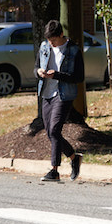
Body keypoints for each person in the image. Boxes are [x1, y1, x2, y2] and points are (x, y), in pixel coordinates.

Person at [34, 20, 84, 181]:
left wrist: (56, 75)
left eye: (53, 40)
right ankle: (74, 158)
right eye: (49, 40)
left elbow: (79, 77)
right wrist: (39, 72)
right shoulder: (44, 47)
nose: (51, 43)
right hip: (46, 93)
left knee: (55, 130)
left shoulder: (73, 50)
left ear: (61, 35)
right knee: (50, 133)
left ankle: (54, 171)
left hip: (64, 95)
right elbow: (35, 67)